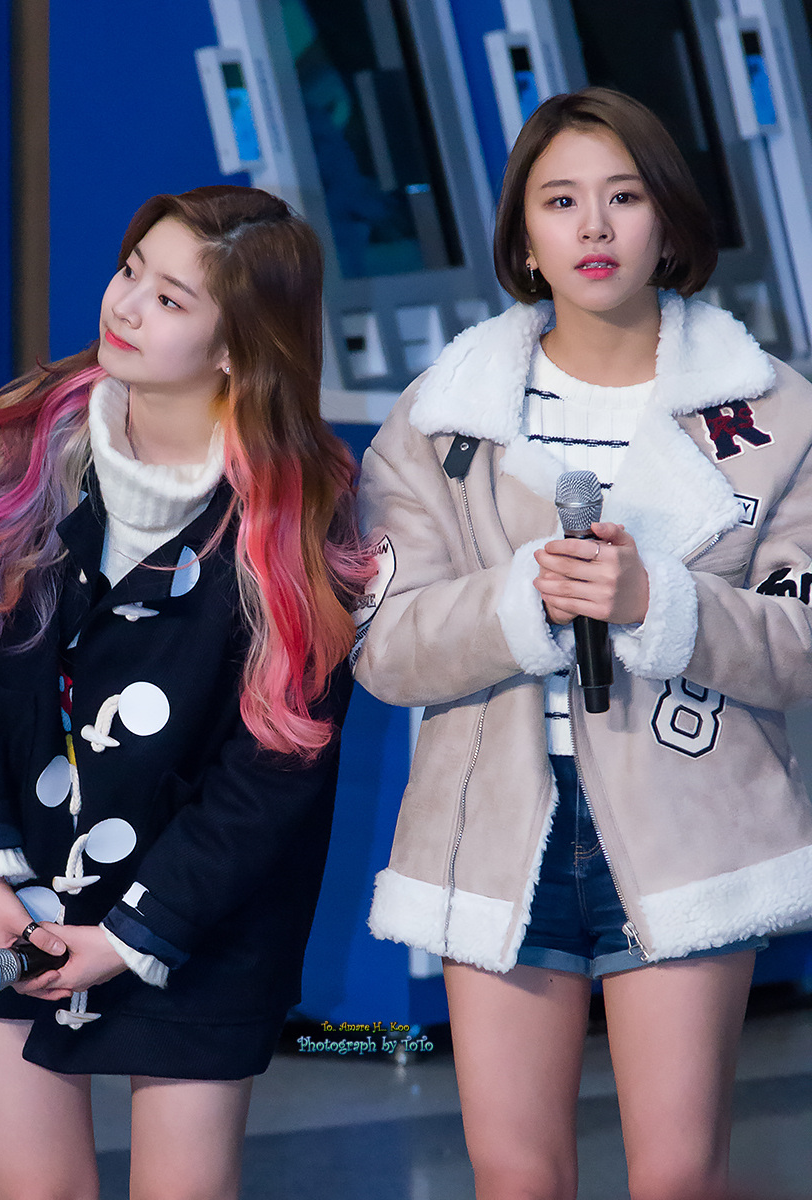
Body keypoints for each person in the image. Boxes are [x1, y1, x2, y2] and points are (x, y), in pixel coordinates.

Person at [353, 88, 812, 1200]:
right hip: (494, 826)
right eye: (560, 202)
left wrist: (661, 602)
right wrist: (521, 604)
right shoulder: (443, 416)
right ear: (523, 236)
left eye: (624, 197)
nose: (594, 228)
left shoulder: (777, 415)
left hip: (690, 822)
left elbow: (801, 641)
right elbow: (386, 645)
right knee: (515, 1175)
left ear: (669, 221)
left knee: (679, 1175)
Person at [0, 184, 372, 1200]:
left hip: (200, 905)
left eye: (169, 299)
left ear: (238, 347)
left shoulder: (304, 513)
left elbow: (276, 767)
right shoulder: (7, 451)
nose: (125, 305)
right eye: (130, 272)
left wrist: (126, 938)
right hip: (7, 878)